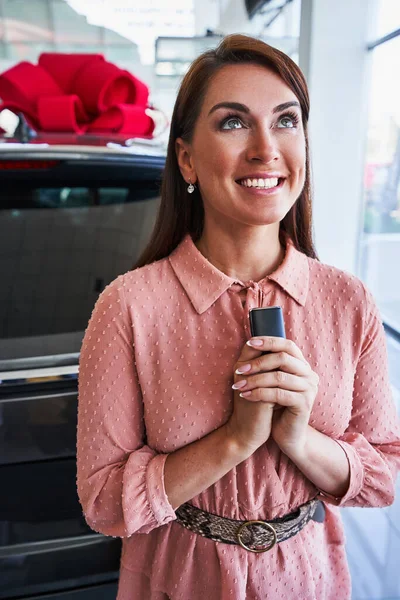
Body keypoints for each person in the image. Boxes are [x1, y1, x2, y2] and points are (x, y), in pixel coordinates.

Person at [76, 34, 400, 600]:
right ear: (186, 159)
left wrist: (299, 439)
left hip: (311, 579)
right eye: (233, 123)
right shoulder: (128, 306)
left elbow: (386, 475)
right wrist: (234, 439)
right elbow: (104, 503)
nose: (265, 149)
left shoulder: (349, 301)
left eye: (285, 121)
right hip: (178, 580)